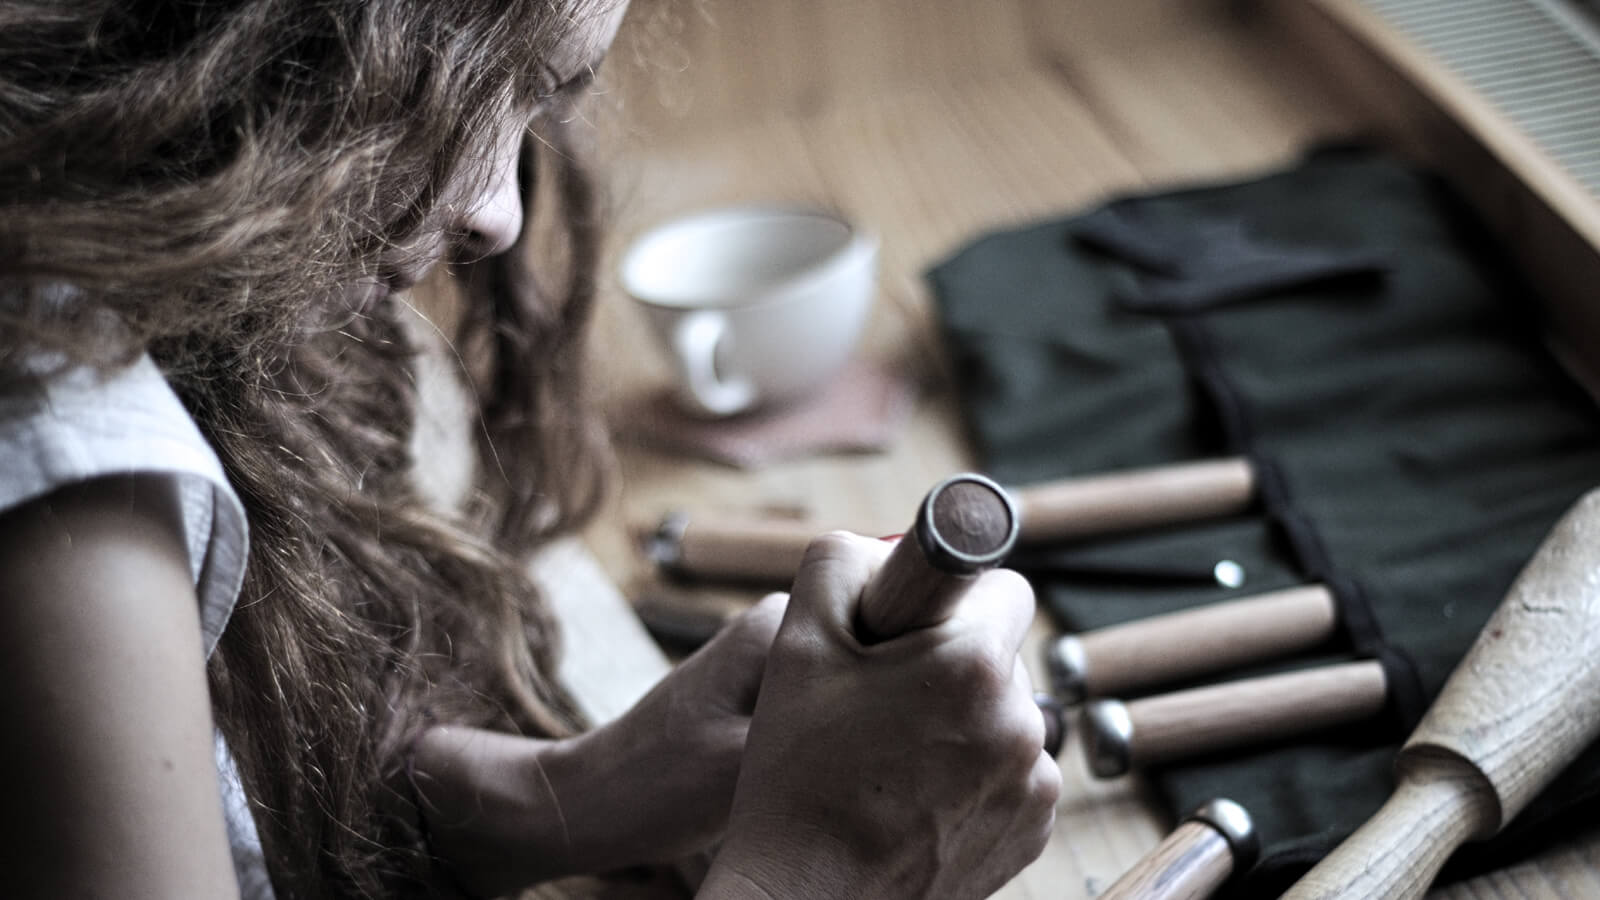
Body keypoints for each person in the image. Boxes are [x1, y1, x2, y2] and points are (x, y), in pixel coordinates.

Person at [0, 1, 1060, 898]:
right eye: (471, 80)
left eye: (544, 98)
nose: (500, 215)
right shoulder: (66, 475)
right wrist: (820, 863)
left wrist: (572, 793)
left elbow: (223, 811)